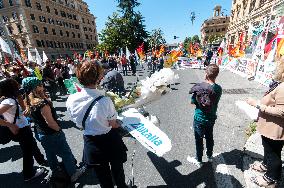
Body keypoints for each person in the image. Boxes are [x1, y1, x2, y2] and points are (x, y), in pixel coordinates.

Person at [66, 61, 128, 188]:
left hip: (92, 143)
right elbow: (113, 124)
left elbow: (78, 124)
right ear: (99, 77)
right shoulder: (105, 101)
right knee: (118, 171)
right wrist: (120, 122)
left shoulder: (71, 99)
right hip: (110, 140)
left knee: (103, 177)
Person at [22, 77, 84, 182]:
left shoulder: (28, 101)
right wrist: (59, 129)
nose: (42, 85)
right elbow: (50, 123)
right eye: (40, 84)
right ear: (36, 87)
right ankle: (73, 173)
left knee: (50, 153)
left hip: (41, 133)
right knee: (66, 153)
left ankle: (55, 171)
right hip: (52, 133)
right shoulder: (41, 103)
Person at [247, 57, 284, 188]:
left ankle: (271, 179)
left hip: (275, 129)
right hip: (270, 127)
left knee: (273, 153)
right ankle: (265, 165)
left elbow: (281, 112)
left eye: (279, 64)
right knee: (268, 149)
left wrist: (257, 105)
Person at [0, 78, 46, 181]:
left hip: (23, 127)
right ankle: (29, 174)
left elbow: (13, 113)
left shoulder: (9, 99)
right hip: (21, 130)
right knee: (27, 152)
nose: (18, 85)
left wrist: (22, 115)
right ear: (11, 87)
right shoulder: (9, 101)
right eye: (15, 84)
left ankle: (40, 160)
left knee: (31, 146)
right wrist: (9, 125)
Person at [188, 64, 222, 167]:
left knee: (199, 139)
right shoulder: (218, 88)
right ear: (216, 75)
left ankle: (198, 159)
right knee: (209, 137)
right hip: (211, 118)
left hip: (199, 118)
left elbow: (192, 102)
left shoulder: (200, 87)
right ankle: (210, 156)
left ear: (206, 74)